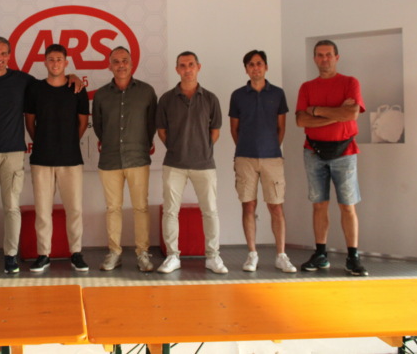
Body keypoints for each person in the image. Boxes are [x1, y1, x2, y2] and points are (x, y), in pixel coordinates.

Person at [0, 36, 82, 275]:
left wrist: (74, 76)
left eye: (3, 53)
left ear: (9, 56)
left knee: (12, 207)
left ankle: (11, 257)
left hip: (13, 152)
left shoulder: (23, 81)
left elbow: (54, 80)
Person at [296, 39, 368, 276]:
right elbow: (301, 120)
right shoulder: (307, 87)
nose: (324, 59)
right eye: (320, 55)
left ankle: (353, 257)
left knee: (347, 205)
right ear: (314, 59)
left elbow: (352, 113)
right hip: (313, 152)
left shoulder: (350, 82)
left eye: (328, 54)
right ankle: (321, 254)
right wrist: (338, 113)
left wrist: (317, 111)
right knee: (319, 205)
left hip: (344, 152)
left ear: (337, 57)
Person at [156, 51, 227, 274]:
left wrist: (202, 149)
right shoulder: (166, 99)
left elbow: (215, 131)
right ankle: (172, 256)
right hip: (174, 163)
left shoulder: (210, 99)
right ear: (177, 69)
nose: (187, 69)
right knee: (170, 212)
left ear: (198, 67)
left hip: (204, 164)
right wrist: (177, 148)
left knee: (210, 211)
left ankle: (213, 257)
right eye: (183, 65)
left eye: (191, 64)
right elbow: (162, 131)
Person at [24, 44, 90, 272]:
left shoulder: (77, 89)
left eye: (59, 59)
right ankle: (43, 255)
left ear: (66, 62)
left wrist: (68, 142)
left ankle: (76, 253)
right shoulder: (35, 89)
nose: (55, 63)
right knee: (43, 212)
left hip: (71, 159)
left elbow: (83, 122)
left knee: (75, 210)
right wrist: (43, 141)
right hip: (42, 159)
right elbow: (30, 122)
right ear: (44, 62)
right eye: (51, 59)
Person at [229, 50, 296, 273]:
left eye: (259, 63)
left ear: (266, 67)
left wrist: (270, 148)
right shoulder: (238, 95)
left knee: (276, 206)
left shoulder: (277, 93)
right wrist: (246, 148)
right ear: (246, 69)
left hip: (272, 158)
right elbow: (234, 129)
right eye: (251, 64)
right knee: (248, 205)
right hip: (245, 158)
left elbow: (281, 127)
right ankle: (252, 254)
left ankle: (281, 255)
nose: (255, 67)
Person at [92, 46, 157, 272]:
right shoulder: (101, 95)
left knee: (140, 208)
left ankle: (143, 253)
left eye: (125, 60)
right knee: (113, 208)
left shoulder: (146, 92)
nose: (121, 65)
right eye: (116, 61)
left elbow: (151, 124)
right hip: (110, 159)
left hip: (138, 158)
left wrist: (142, 144)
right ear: (109, 65)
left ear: (132, 63)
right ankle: (114, 252)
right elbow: (98, 126)